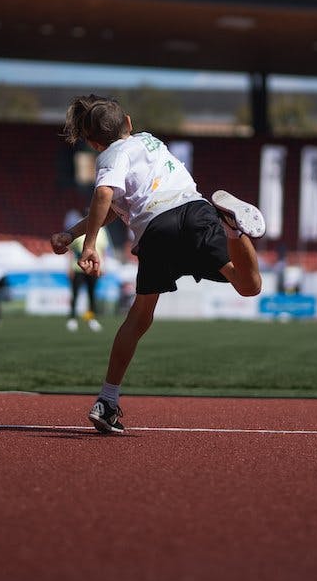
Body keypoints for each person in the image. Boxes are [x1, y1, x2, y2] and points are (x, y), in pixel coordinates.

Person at [50, 94, 265, 434]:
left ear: (92, 142)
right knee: (249, 286)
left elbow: (105, 196)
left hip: (155, 233)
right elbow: (111, 209)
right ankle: (234, 230)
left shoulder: (109, 156)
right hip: (194, 211)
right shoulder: (148, 141)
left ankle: (107, 400)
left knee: (139, 317)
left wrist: (87, 245)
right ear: (130, 123)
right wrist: (71, 232)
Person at [66, 222, 108, 332]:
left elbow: (103, 251)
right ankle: (73, 319)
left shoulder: (102, 231)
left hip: (93, 268)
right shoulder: (80, 229)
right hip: (77, 268)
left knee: (92, 294)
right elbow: (71, 251)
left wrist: (103, 266)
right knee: (75, 294)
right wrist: (69, 267)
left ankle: (90, 319)